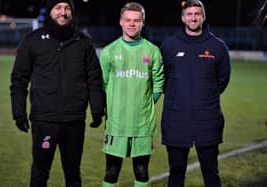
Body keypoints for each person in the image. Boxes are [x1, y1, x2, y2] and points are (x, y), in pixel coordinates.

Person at [10, 0, 105, 186]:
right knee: (39, 172)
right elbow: (19, 80)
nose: (63, 12)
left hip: (74, 121)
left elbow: (94, 78)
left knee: (73, 173)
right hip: (44, 119)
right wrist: (18, 112)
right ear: (50, 11)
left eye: (67, 8)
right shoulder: (32, 40)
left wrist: (97, 109)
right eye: (58, 8)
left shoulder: (84, 42)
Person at [160, 0, 231, 187]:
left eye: (197, 14)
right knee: (175, 175)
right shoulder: (169, 46)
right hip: (176, 122)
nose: (193, 17)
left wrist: (205, 96)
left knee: (211, 174)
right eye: (189, 14)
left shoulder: (218, 47)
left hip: (207, 122)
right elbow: (163, 79)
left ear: (203, 17)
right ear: (183, 17)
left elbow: (223, 80)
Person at [99, 2, 164, 187]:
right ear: (120, 22)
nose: (132, 24)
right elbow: (102, 85)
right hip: (116, 124)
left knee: (142, 172)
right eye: (128, 20)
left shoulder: (153, 51)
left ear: (143, 22)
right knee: (111, 172)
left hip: (142, 125)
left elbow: (159, 84)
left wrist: (145, 104)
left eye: (136, 20)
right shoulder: (108, 52)